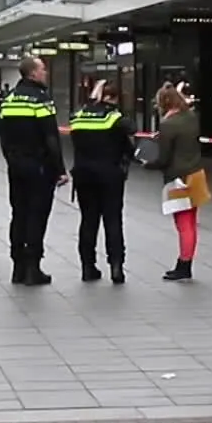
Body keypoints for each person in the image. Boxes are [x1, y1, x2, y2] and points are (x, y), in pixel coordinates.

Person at [0, 56, 67, 285]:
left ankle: (17, 267)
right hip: (39, 166)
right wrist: (60, 169)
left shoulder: (9, 100)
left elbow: (4, 137)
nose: (45, 73)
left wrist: (11, 159)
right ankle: (33, 268)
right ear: (33, 73)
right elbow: (51, 137)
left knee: (18, 214)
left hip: (16, 166)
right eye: (42, 69)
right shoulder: (41, 100)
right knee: (37, 216)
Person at [68, 81, 137, 284]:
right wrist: (111, 108)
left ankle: (87, 267)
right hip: (110, 177)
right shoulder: (114, 117)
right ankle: (116, 267)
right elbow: (131, 128)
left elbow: (76, 119)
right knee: (112, 221)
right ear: (114, 99)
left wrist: (92, 102)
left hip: (83, 176)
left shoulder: (79, 117)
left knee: (88, 221)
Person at [145, 85, 210, 281]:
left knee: (183, 224)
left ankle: (183, 265)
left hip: (178, 179)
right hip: (196, 174)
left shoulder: (167, 124)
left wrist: (148, 164)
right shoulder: (191, 117)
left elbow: (163, 158)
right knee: (190, 222)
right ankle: (186, 262)